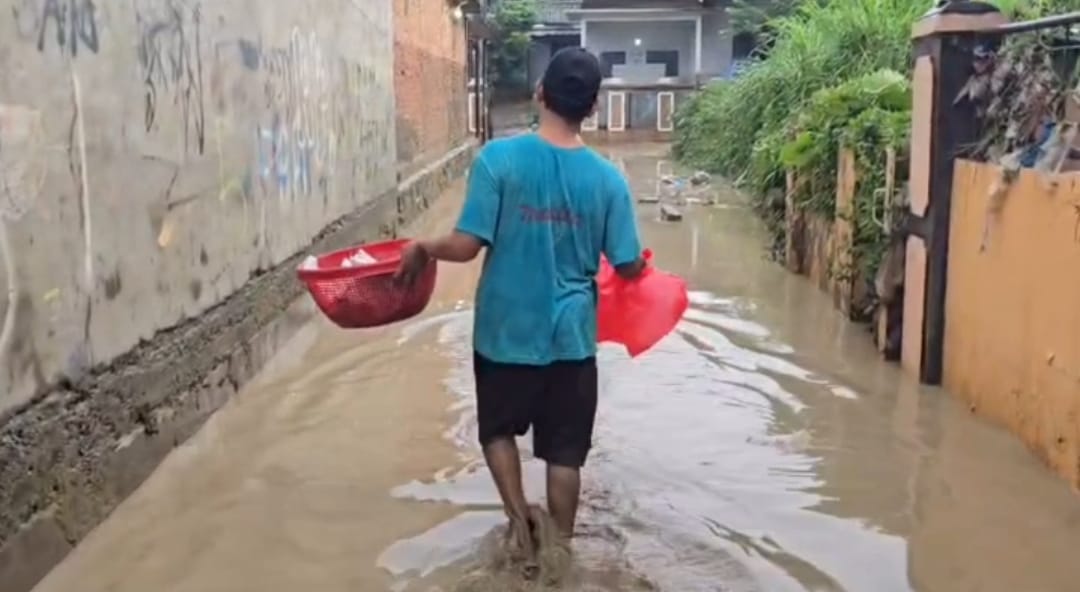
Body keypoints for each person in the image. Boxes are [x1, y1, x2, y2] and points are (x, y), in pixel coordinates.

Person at [395, 47, 645, 568]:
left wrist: (423, 247)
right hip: (571, 341)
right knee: (565, 453)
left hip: (504, 333)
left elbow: (466, 245)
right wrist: (642, 268)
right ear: (593, 107)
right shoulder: (610, 181)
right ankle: (561, 549)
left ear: (539, 94)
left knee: (497, 431)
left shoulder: (498, 160)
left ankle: (519, 524)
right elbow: (625, 265)